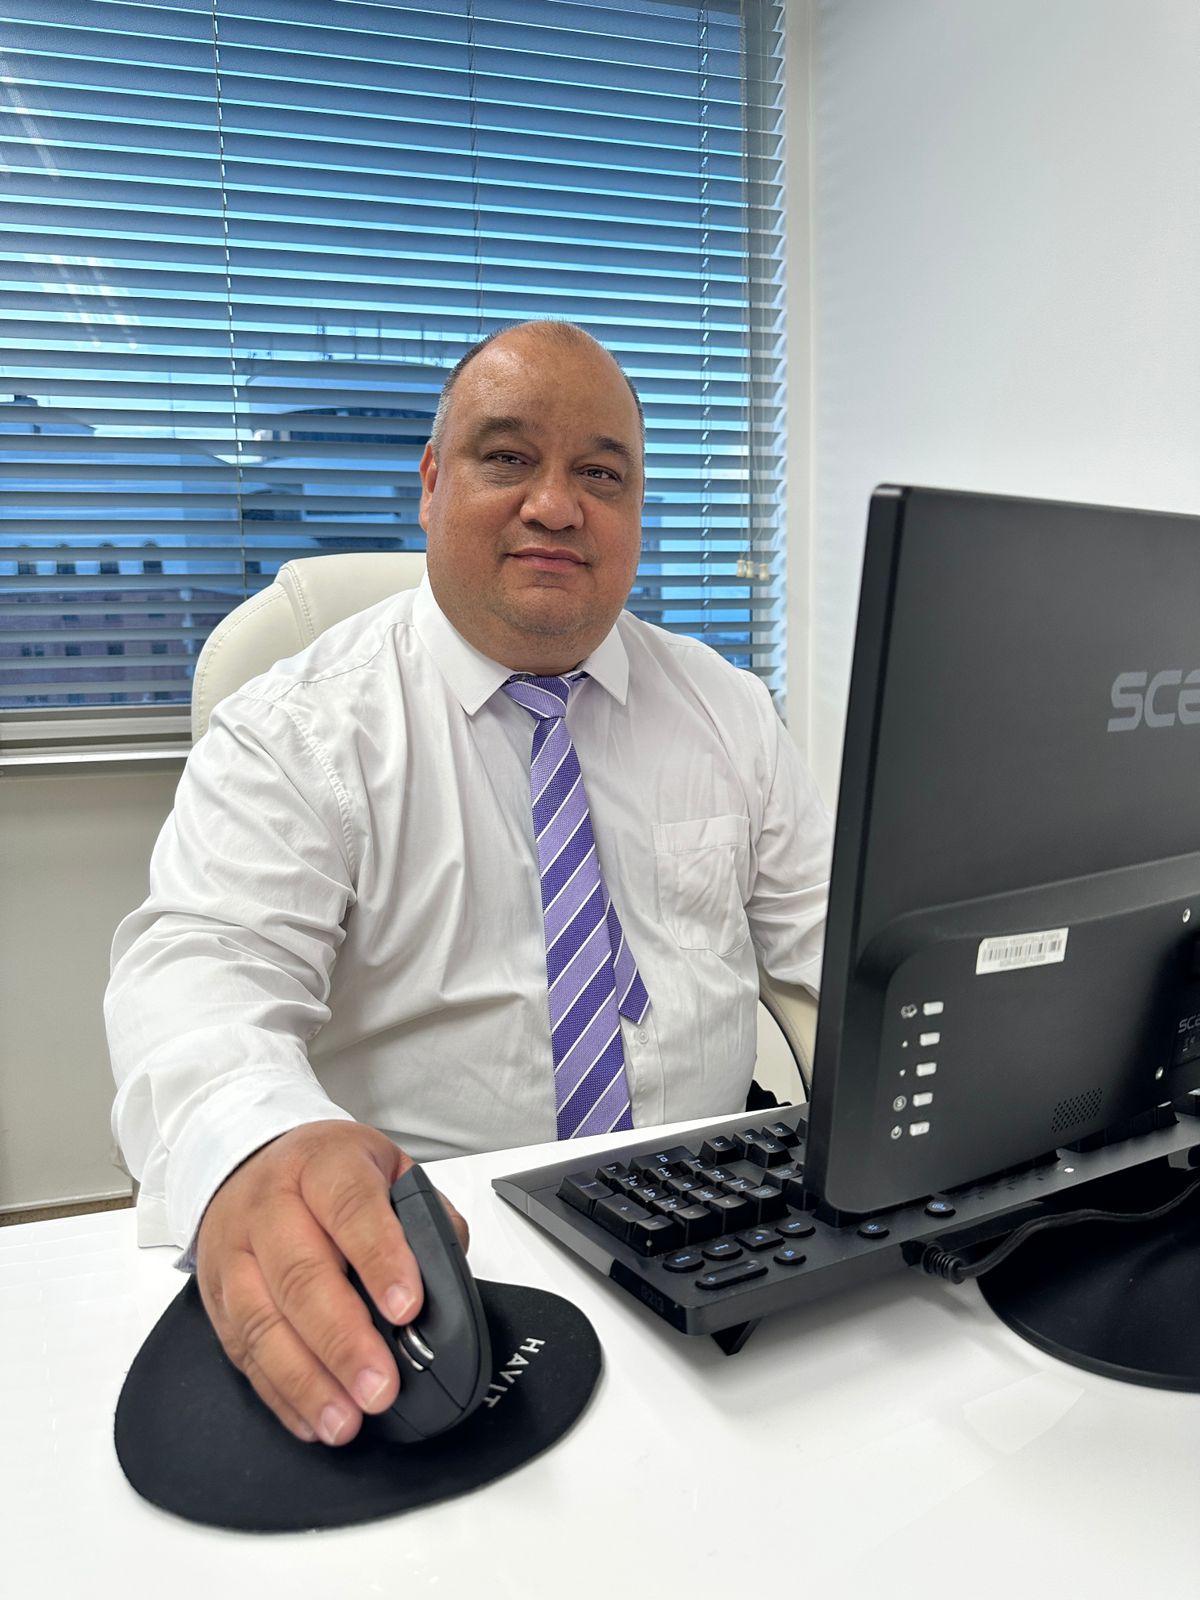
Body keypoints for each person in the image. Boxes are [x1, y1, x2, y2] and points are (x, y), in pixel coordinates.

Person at [106, 320, 831, 1448]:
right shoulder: (301, 729)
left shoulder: (726, 708)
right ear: (432, 482)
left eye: (602, 473)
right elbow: (204, 971)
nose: (556, 504)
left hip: (715, 1216)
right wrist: (255, 1142)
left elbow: (837, 937)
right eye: (508, 458)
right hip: (446, 1257)